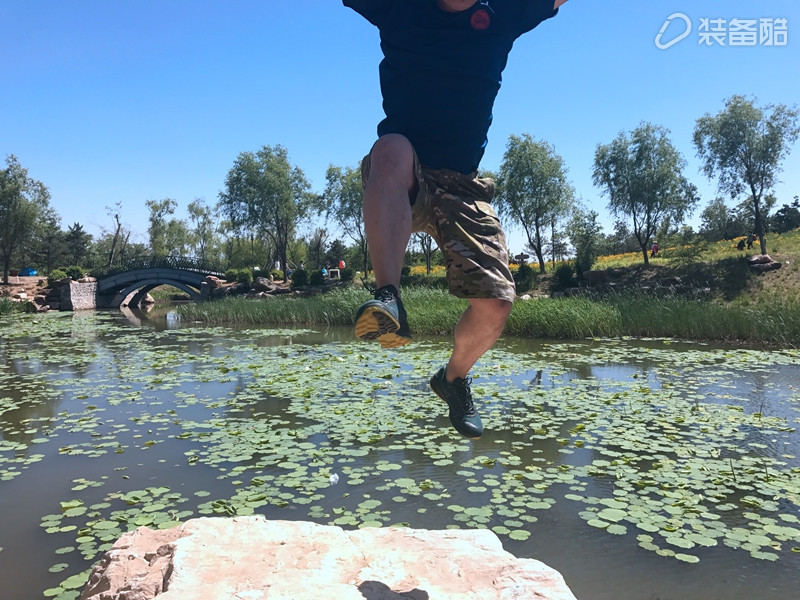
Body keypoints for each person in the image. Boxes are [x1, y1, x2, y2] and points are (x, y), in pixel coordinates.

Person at [345, 0, 567, 438]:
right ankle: (387, 296)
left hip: (465, 187)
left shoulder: (504, 14)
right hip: (407, 175)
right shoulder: (398, 8)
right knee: (389, 148)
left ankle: (453, 380)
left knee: (497, 303)